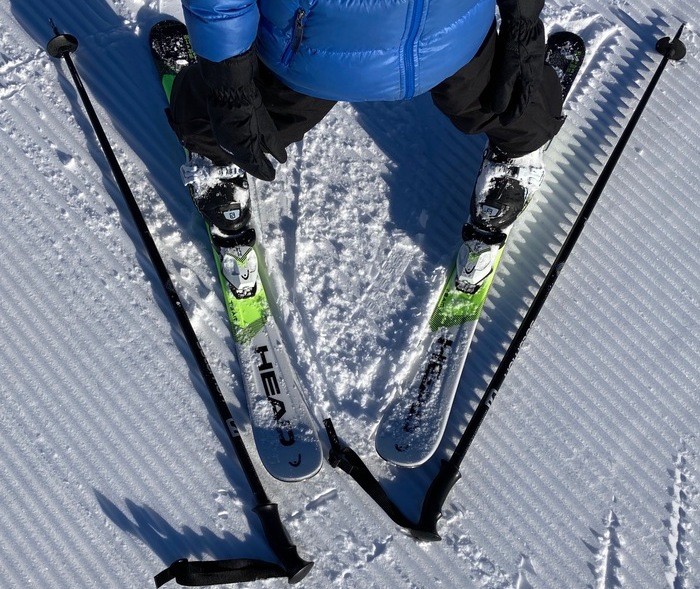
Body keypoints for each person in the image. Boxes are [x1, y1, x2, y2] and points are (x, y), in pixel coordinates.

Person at [168, 0, 564, 297]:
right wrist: (230, 84)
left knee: (509, 103)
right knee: (243, 119)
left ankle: (520, 149)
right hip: (312, 51)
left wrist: (523, 19)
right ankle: (214, 152)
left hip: (453, 36)